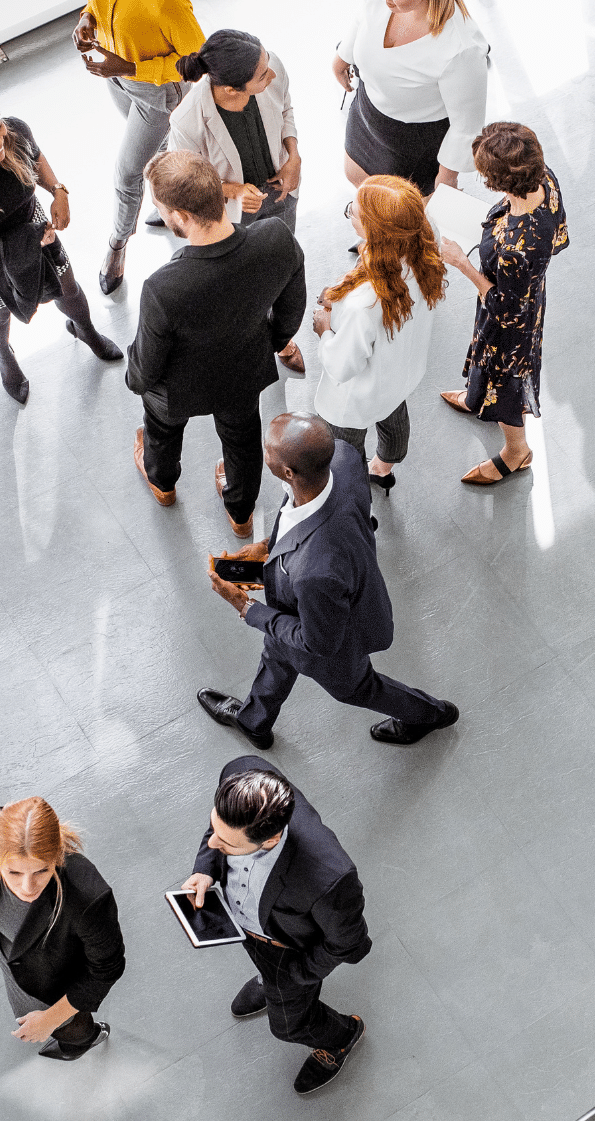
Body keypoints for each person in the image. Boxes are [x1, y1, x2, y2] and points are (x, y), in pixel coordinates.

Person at [200, 413, 460, 748]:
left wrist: (246, 606)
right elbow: (317, 522)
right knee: (277, 652)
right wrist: (267, 547)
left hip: (332, 636)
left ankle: (430, 714)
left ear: (290, 471)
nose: (264, 455)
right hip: (317, 594)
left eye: (268, 452)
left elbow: (317, 643)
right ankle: (255, 722)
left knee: (356, 687)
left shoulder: (316, 573)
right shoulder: (343, 458)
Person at [125, 153, 307, 540]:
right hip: (242, 371)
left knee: (160, 430)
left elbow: (147, 367)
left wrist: (135, 380)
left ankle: (163, 484)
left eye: (159, 208)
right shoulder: (275, 237)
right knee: (241, 441)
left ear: (181, 215)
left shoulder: (163, 288)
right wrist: (271, 341)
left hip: (176, 389)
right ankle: (240, 514)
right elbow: (292, 307)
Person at [179, 757, 372, 1095]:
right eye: (215, 828)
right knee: (262, 963)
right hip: (255, 929)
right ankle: (268, 981)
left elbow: (350, 943)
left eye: (226, 845)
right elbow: (216, 832)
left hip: (289, 952)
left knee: (288, 1027)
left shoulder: (328, 879)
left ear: (269, 840)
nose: (212, 843)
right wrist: (207, 867)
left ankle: (342, 1036)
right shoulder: (241, 777)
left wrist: (297, 974)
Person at [0, 92, 119, 406]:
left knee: (67, 288)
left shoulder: (15, 132)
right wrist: (12, 248)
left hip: (35, 229)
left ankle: (85, 329)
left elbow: (37, 158)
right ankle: (4, 355)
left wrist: (59, 191)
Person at [73, 0, 208, 296]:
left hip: (154, 91)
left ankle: (116, 244)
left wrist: (131, 65)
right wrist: (86, 21)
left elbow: (197, 63)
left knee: (127, 172)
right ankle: (169, 204)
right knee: (161, 149)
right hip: (114, 78)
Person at [167, 28, 307, 376]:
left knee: (279, 265)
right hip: (232, 214)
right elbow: (186, 180)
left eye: (266, 63)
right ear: (231, 88)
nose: (271, 73)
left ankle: (280, 338)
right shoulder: (187, 122)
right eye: (262, 74)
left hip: (280, 191)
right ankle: (253, 338)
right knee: (242, 281)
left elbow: (286, 108)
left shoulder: (269, 71)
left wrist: (293, 157)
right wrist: (232, 190)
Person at [435, 122, 566, 486]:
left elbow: (505, 310)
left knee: (506, 379)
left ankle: (516, 451)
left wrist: (462, 262)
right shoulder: (546, 179)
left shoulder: (517, 248)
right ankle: (477, 395)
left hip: (511, 322)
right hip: (527, 296)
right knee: (485, 357)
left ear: (501, 182)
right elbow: (559, 236)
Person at [0, 797, 123, 1062]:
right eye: (14, 873)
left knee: (70, 1027)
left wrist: (50, 1020)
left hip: (56, 981)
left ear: (57, 855)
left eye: (42, 870)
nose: (28, 888)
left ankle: (83, 1039)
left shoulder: (87, 897)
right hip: (16, 961)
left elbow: (108, 968)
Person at [312, 177, 446, 491]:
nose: (350, 215)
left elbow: (342, 367)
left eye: (353, 213)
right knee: (393, 415)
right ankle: (384, 467)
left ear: (376, 231)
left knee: (345, 451)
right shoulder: (426, 239)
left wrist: (325, 330)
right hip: (402, 373)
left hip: (357, 395)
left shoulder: (364, 304)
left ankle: (357, 498)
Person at [334, 0, 490, 196]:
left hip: (413, 143)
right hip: (367, 111)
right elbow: (363, 18)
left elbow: (467, 126)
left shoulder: (462, 48)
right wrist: (342, 57)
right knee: (360, 180)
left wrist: (446, 178)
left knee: (403, 209)